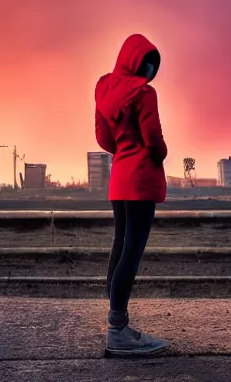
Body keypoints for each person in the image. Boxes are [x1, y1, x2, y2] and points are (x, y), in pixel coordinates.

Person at [94, 33, 169, 356]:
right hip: (140, 178)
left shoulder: (104, 87)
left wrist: (123, 149)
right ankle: (118, 329)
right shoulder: (145, 93)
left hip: (119, 176)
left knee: (120, 244)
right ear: (139, 64)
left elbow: (102, 138)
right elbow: (153, 136)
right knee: (133, 250)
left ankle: (115, 320)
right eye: (148, 66)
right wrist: (160, 152)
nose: (150, 73)